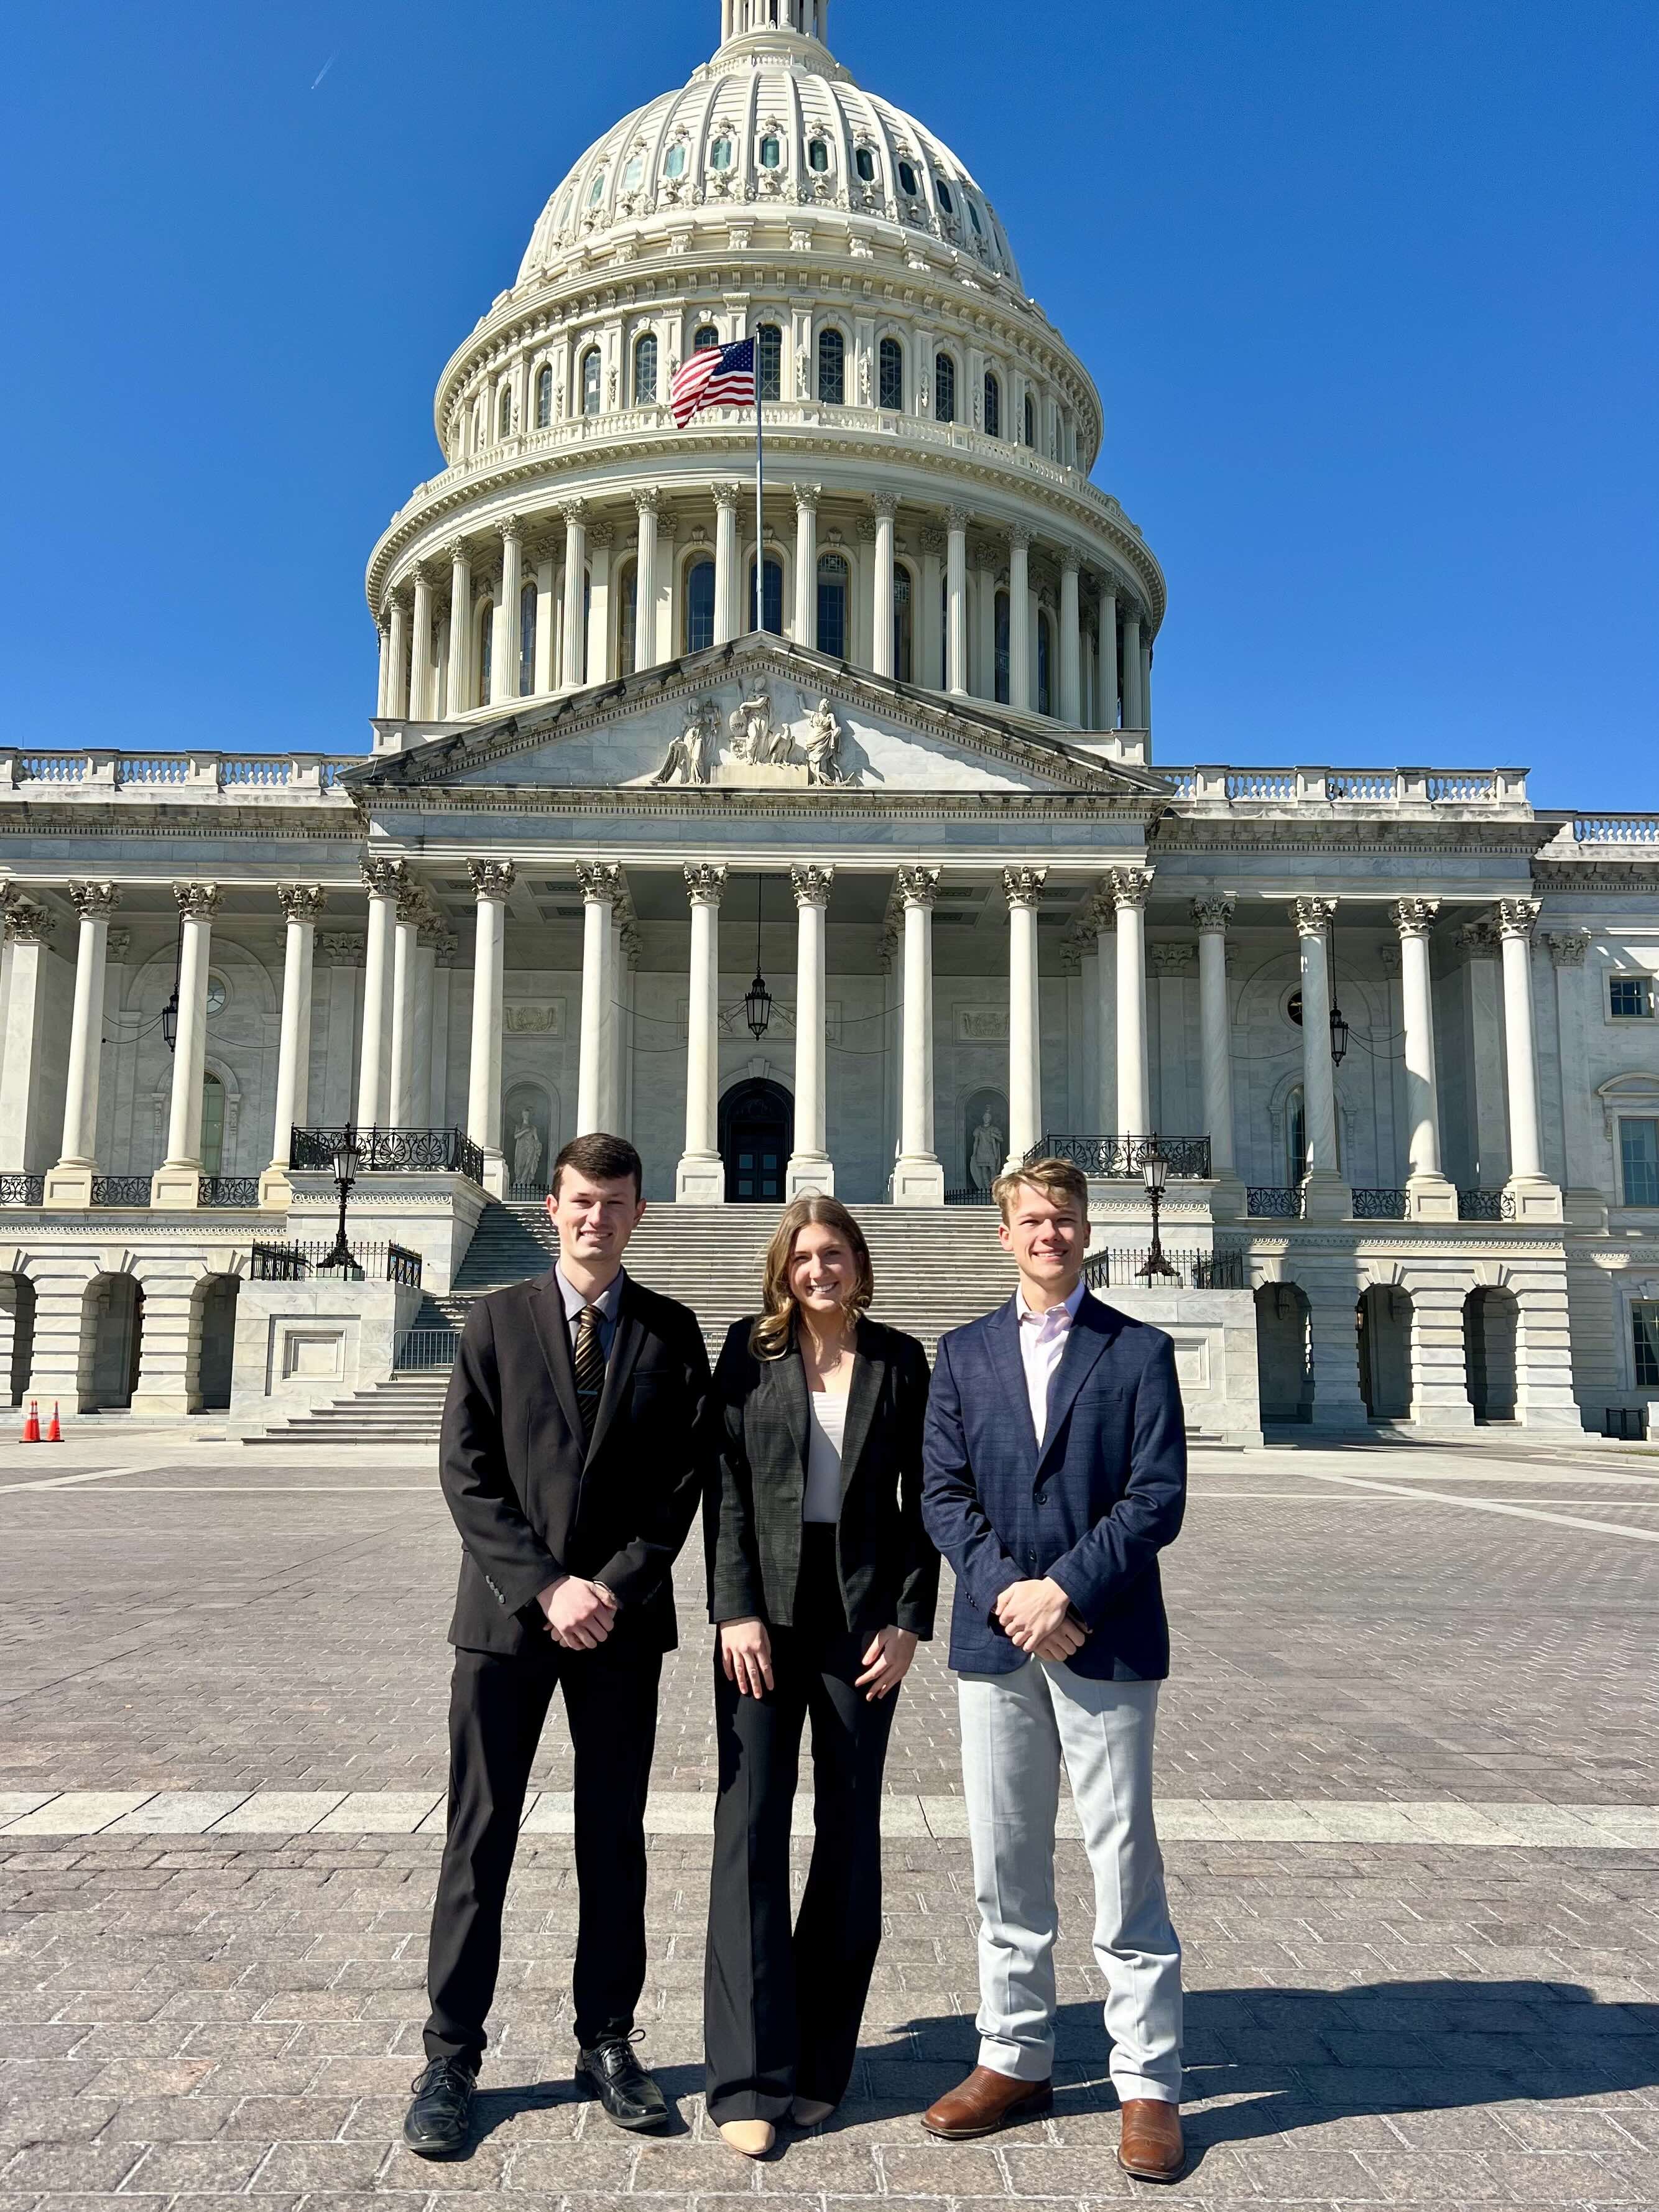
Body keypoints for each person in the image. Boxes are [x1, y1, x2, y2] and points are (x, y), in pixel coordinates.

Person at [404, 1132, 711, 2159]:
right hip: (505, 1622)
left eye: (616, 1203)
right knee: (478, 1837)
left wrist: (608, 1588)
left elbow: (680, 1488)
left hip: (618, 1628)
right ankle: (451, 2053)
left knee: (612, 1837)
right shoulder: (493, 1319)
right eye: (582, 1201)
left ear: (639, 1212)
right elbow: (466, 1470)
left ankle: (607, 2038)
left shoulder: (672, 1331)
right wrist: (546, 1588)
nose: (597, 1218)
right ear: (550, 1206)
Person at [920, 1156, 1188, 2183]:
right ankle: (1014, 2054)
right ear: (1004, 1234)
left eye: (1065, 1218)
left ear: (1088, 1230)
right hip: (1001, 1641)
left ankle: (1149, 2079)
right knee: (1004, 1862)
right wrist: (1013, 1597)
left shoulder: (1139, 1349)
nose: (1050, 1234)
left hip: (1104, 1635)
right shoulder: (964, 1353)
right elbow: (943, 1494)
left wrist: (1063, 1593)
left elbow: (1156, 1496)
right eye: (1032, 1219)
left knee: (1123, 1864)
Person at [703, 1195, 938, 2159]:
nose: (818, 1270)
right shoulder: (748, 1350)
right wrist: (733, 1607)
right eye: (803, 1256)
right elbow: (721, 1483)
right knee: (750, 1828)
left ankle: (822, 2062)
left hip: (858, 1618)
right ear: (782, 1266)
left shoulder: (898, 1359)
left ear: (859, 1262)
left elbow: (928, 1494)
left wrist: (911, 1620)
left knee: (848, 1832)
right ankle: (748, 2073)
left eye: (834, 1254)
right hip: (763, 1616)